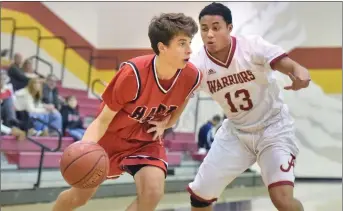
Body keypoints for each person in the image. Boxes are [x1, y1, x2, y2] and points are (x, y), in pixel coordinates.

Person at [52, 13, 201, 211]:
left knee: (153, 193)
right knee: (78, 197)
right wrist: (85, 148)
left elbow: (183, 98)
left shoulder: (191, 75)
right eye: (182, 43)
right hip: (111, 138)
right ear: (162, 47)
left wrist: (167, 123)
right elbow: (102, 121)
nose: (190, 50)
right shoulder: (133, 74)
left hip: (145, 140)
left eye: (190, 42)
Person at [185, 3, 310, 211]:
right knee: (200, 197)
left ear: (230, 27)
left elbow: (287, 64)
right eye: (204, 29)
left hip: (273, 128)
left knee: (282, 199)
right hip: (236, 133)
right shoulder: (198, 64)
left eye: (216, 27)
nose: (210, 34)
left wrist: (299, 71)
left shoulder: (251, 46)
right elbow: (178, 96)